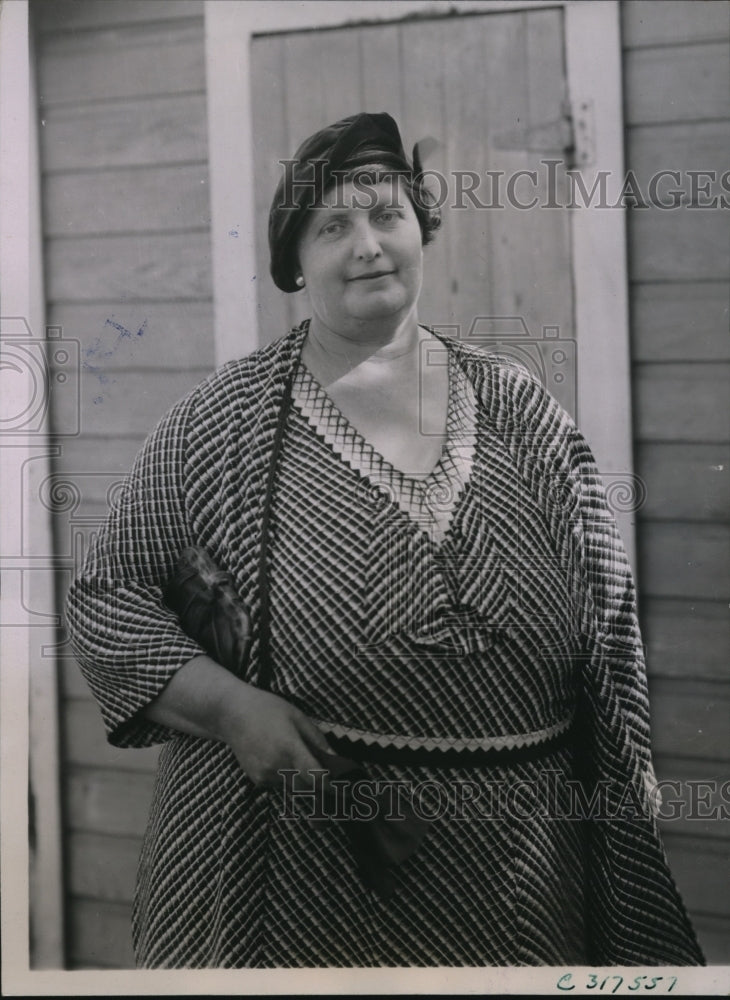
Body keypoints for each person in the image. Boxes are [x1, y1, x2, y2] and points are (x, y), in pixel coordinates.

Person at [65, 112, 704, 968]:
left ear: (422, 232)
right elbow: (110, 597)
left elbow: (609, 625)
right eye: (333, 226)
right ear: (295, 261)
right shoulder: (221, 422)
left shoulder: (522, 409)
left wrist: (623, 802)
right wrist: (231, 707)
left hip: (518, 871)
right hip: (307, 867)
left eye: (388, 215)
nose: (367, 245)